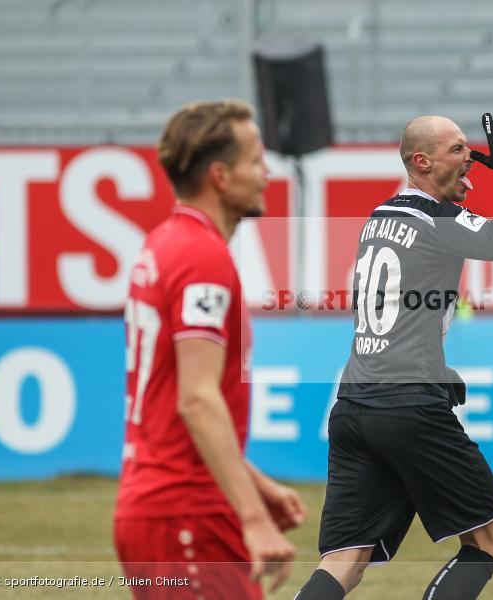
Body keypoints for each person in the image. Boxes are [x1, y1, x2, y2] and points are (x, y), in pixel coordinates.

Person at [294, 106, 493, 599]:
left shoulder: (379, 218)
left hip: (353, 406)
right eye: (457, 150)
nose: (470, 157)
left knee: (345, 560)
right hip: (407, 407)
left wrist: (436, 366)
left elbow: (392, 313)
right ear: (421, 162)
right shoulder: (436, 219)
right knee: (488, 541)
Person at [114, 100, 306, 599]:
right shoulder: (202, 258)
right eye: (256, 161)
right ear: (221, 176)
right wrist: (253, 518)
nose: (266, 175)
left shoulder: (164, 243)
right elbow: (197, 399)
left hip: (163, 506)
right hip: (187, 514)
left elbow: (179, 400)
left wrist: (254, 485)